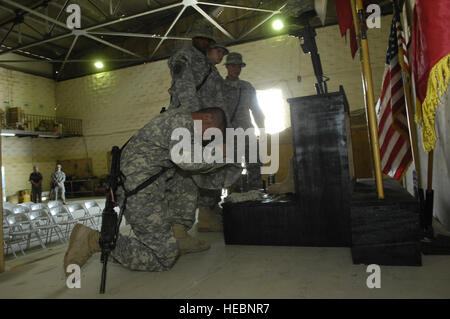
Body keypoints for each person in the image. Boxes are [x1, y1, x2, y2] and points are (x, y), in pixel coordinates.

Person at [63, 108, 241, 273]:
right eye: (212, 134)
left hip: (144, 187)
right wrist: (221, 152)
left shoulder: (178, 121)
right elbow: (188, 160)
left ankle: (177, 233)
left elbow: (199, 176)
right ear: (207, 118)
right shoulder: (181, 121)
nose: (206, 140)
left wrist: (231, 164)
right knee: (164, 256)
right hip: (138, 193)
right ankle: (95, 240)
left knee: (186, 178)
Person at [223, 52, 266, 190]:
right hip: (229, 134)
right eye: (233, 66)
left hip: (248, 132)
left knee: (254, 165)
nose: (236, 69)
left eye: (239, 66)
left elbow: (256, 110)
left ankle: (256, 197)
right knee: (232, 169)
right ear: (227, 67)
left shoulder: (247, 87)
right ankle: (233, 201)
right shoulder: (220, 87)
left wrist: (262, 130)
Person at [167, 20, 227, 113]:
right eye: (201, 38)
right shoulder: (184, 56)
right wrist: (195, 114)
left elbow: (219, 98)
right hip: (186, 113)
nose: (204, 42)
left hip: (205, 116)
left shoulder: (210, 67)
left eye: (208, 40)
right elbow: (184, 86)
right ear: (194, 39)